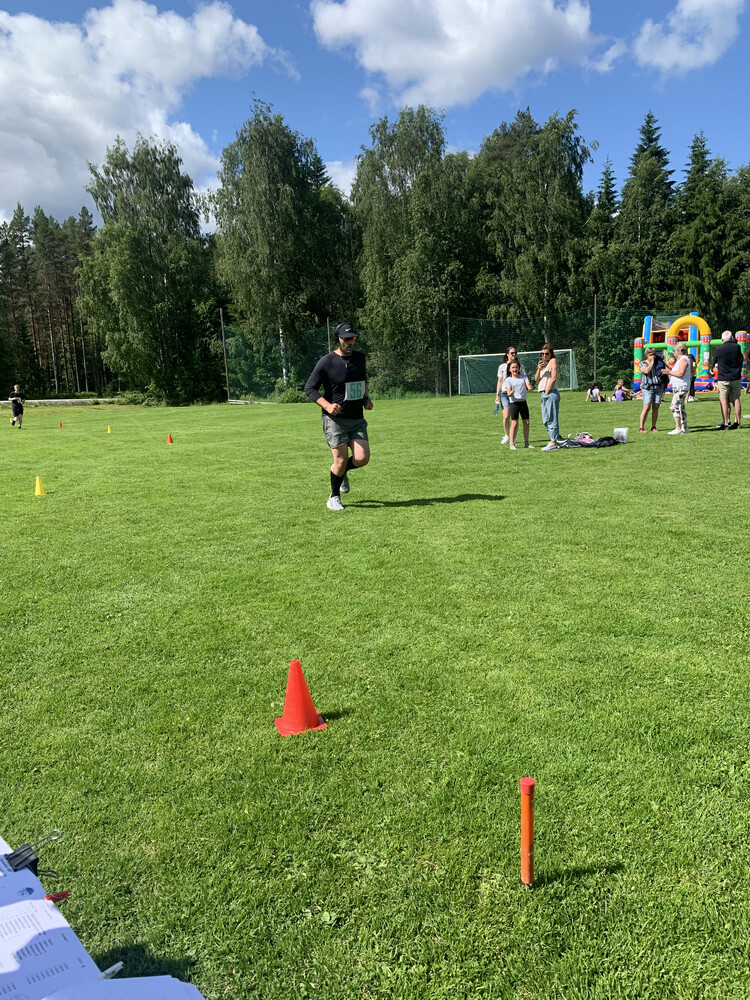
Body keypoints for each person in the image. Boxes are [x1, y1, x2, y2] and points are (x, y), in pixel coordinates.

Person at [303, 322, 373, 511]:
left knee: (362, 458)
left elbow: (363, 380)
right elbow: (309, 388)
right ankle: (334, 497)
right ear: (338, 339)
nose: (350, 342)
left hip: (356, 418)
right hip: (334, 420)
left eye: (353, 338)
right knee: (340, 461)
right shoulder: (327, 361)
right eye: (346, 339)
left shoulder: (359, 358)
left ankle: (342, 473)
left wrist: (366, 398)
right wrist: (327, 405)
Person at [494, 347, 528, 445]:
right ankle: (506, 435)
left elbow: (524, 379)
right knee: (506, 415)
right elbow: (500, 381)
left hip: (516, 394)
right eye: (512, 353)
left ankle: (514, 437)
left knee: (515, 418)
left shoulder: (520, 366)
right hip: (505, 393)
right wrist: (497, 395)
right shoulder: (502, 367)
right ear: (507, 354)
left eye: (515, 353)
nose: (514, 354)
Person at [535, 344, 563, 450]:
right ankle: (555, 438)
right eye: (542, 354)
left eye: (546, 354)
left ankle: (553, 442)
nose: (544, 356)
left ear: (551, 354)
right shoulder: (542, 365)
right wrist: (539, 369)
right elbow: (536, 379)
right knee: (545, 420)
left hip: (550, 393)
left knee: (552, 418)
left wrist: (547, 391)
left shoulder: (553, 361)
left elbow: (553, 377)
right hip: (543, 394)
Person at [713, 330, 743, 430]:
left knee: (723, 400)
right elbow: (740, 359)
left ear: (722, 339)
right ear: (731, 338)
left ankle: (726, 422)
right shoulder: (737, 347)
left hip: (723, 377)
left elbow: (713, 363)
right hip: (735, 377)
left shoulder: (718, 349)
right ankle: (738, 422)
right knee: (736, 399)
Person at [502, 360, 534, 449]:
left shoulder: (523, 377)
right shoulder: (508, 380)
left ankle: (526, 443)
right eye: (513, 367)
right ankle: (512, 444)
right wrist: (512, 391)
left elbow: (528, 384)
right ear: (509, 369)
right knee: (514, 423)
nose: (515, 369)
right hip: (514, 404)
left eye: (516, 367)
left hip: (523, 402)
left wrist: (529, 386)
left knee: (526, 422)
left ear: (519, 368)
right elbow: (508, 394)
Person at [638, 347, 666, 433]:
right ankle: (641, 427)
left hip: (658, 387)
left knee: (656, 407)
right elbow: (646, 371)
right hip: (648, 388)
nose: (653, 356)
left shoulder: (659, 362)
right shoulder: (643, 363)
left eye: (654, 354)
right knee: (646, 407)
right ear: (647, 355)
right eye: (650, 355)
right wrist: (652, 363)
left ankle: (653, 426)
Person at [667, 343, 691, 435]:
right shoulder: (681, 360)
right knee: (681, 407)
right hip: (679, 386)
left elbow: (680, 373)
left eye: (675, 350)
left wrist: (669, 372)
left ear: (679, 351)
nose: (674, 352)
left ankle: (678, 428)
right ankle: (685, 427)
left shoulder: (683, 359)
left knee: (674, 406)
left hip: (681, 387)